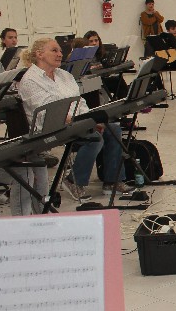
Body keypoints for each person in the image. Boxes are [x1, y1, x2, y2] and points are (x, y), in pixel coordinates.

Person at [16, 38, 131, 202]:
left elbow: (79, 102)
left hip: (74, 121)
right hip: (49, 127)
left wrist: (89, 118)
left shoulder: (64, 75)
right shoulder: (30, 80)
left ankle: (112, 181)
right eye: (54, 50)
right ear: (39, 54)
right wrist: (86, 122)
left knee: (113, 129)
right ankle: (73, 181)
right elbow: (47, 113)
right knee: (94, 137)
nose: (60, 54)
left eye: (60, 51)